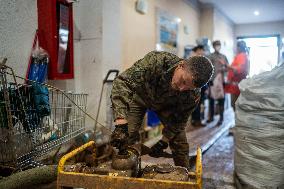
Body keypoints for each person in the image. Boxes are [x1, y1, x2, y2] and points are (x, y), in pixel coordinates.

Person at [110, 51, 214, 169]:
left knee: (179, 143)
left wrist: (164, 141)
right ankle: (130, 172)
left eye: (188, 88)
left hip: (167, 106)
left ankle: (185, 177)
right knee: (127, 136)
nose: (181, 89)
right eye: (183, 81)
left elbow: (179, 121)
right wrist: (120, 122)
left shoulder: (193, 95)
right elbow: (123, 82)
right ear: (181, 65)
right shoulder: (157, 61)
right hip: (140, 97)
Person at [207, 40, 229, 125]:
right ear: (213, 46)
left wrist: (223, 70)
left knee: (221, 99)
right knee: (211, 99)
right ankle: (211, 117)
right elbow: (208, 68)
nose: (218, 46)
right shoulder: (210, 56)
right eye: (216, 45)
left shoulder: (223, 56)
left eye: (219, 45)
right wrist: (209, 80)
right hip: (212, 80)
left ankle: (221, 118)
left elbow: (227, 68)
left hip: (221, 81)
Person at [225, 40, 249, 110]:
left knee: (236, 105)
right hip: (235, 85)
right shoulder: (241, 56)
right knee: (235, 105)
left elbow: (239, 69)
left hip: (237, 85)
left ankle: (238, 120)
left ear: (239, 47)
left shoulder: (242, 56)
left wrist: (227, 66)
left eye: (237, 47)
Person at [190, 45, 207, 127]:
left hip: (203, 85)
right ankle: (195, 120)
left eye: (203, 50)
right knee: (195, 103)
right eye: (201, 50)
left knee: (201, 103)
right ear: (198, 50)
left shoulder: (203, 59)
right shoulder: (193, 59)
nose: (203, 51)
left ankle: (199, 120)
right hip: (195, 84)